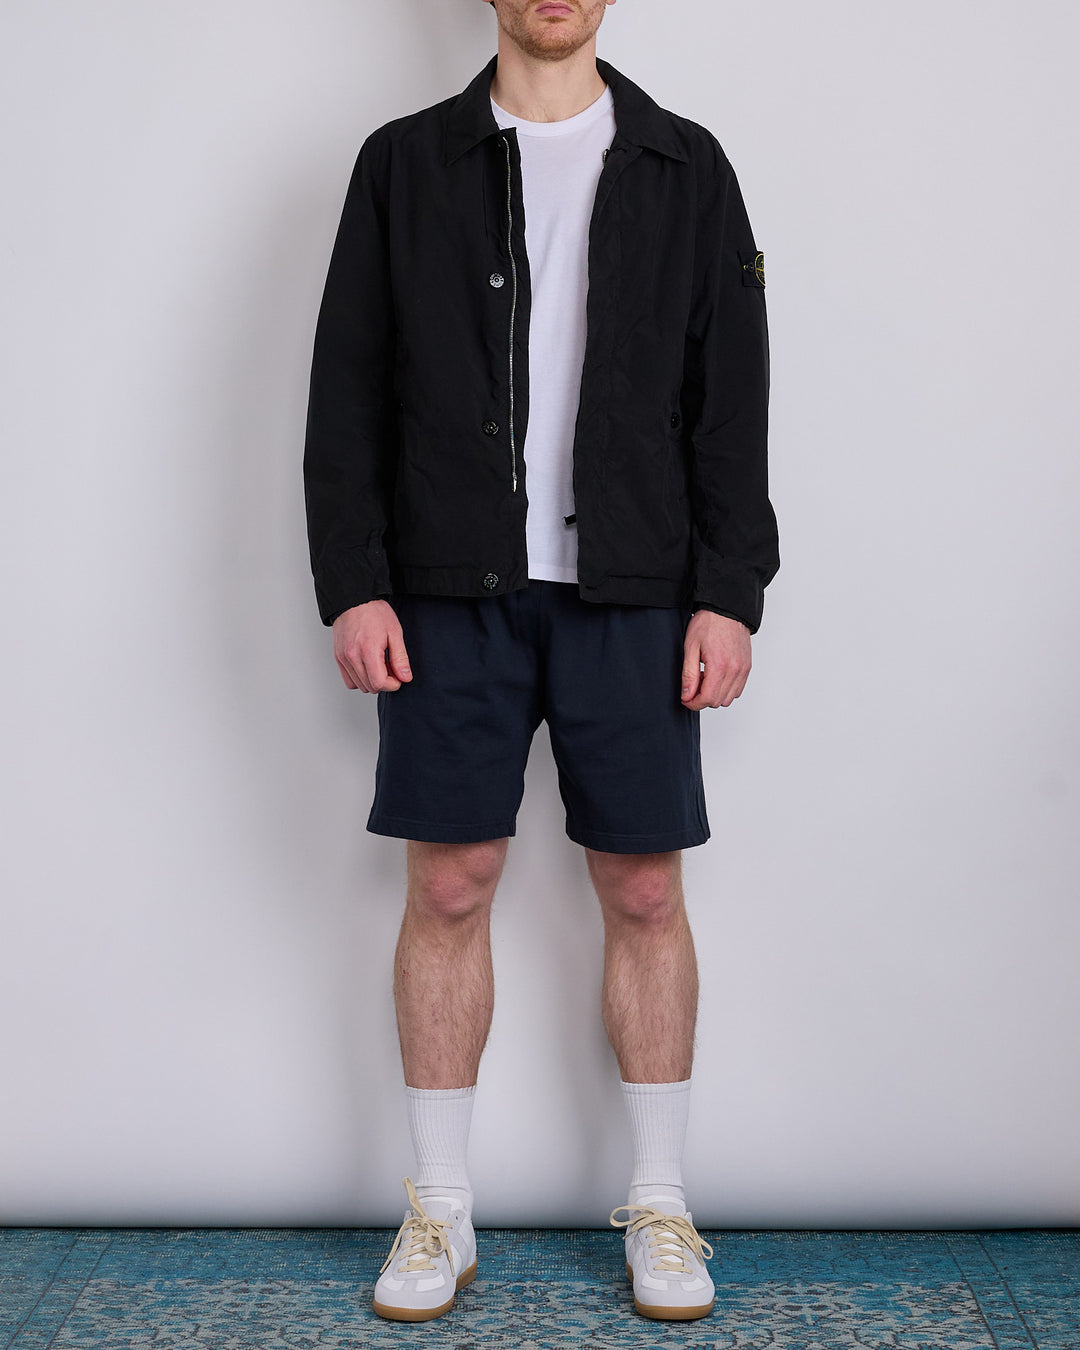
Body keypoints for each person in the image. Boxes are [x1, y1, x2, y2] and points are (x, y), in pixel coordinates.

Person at [302, 0, 779, 1324]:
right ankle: (439, 1209)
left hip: (635, 588)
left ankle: (662, 1201)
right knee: (450, 884)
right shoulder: (404, 163)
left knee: (644, 890)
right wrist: (354, 581)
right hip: (449, 589)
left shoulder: (686, 164)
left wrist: (728, 592)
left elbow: (732, 394)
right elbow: (347, 384)